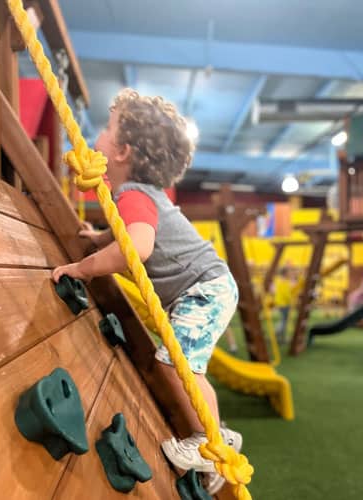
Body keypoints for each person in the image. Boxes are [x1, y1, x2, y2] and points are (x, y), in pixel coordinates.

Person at [52, 89, 241, 494]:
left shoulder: (133, 194)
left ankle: (211, 442)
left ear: (121, 151)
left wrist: (84, 268)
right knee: (177, 360)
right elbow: (127, 231)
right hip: (208, 284)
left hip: (205, 287)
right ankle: (216, 435)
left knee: (177, 363)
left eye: (107, 128)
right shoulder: (136, 197)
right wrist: (100, 236)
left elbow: (138, 246)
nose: (99, 135)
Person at [273, 266, 294, 344]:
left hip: (280, 303)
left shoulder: (278, 280)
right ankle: (276, 335)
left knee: (284, 320)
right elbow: (286, 294)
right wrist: (291, 301)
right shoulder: (284, 282)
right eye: (289, 272)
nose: (290, 273)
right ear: (285, 273)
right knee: (284, 321)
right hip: (284, 304)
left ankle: (281, 338)